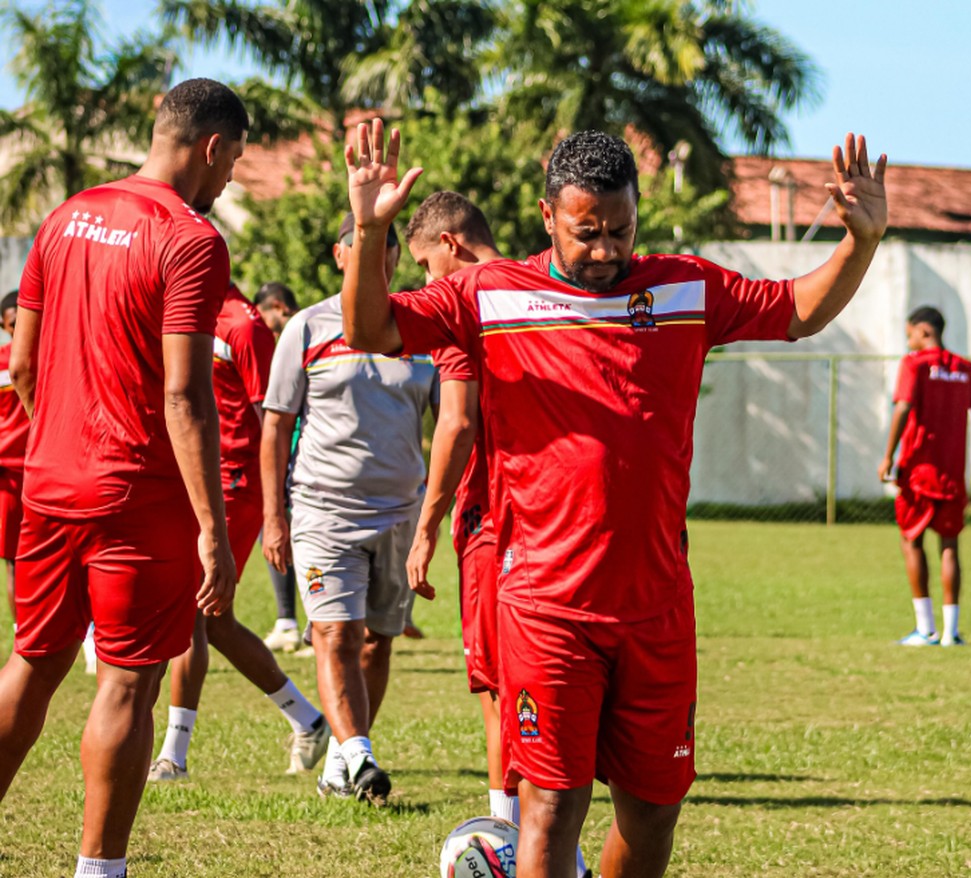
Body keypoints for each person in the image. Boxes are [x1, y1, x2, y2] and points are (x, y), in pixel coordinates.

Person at [342, 120, 886, 878]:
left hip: (657, 607)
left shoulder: (686, 287)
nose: (604, 250)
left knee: (654, 806)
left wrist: (860, 243)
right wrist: (370, 232)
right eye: (586, 232)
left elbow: (799, 310)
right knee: (551, 805)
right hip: (545, 607)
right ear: (546, 219)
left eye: (619, 231)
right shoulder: (489, 293)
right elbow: (370, 327)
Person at [0, 78, 244, 878]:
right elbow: (184, 392)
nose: (233, 176)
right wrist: (213, 527)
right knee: (129, 683)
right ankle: (98, 870)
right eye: (235, 159)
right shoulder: (192, 238)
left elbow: (25, 364)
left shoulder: (65, 214)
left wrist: (61, 441)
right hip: (138, 493)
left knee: (32, 661)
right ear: (211, 147)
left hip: (48, 482)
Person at [261, 212, 439, 805]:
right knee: (335, 632)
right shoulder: (306, 328)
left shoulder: (419, 330)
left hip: (400, 515)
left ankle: (342, 759)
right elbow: (275, 426)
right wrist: (274, 516)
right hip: (323, 513)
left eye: (389, 248)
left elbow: (452, 421)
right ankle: (362, 758)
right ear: (342, 255)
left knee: (376, 641)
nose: (379, 258)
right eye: (364, 246)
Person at [148, 282, 329, 782]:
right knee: (216, 622)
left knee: (194, 611)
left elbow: (271, 422)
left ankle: (174, 756)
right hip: (196, 479)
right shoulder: (188, 313)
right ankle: (307, 719)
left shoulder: (245, 327)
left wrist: (278, 506)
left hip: (235, 485)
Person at [401, 192, 529, 824]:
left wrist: (426, 528)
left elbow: (455, 423)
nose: (428, 283)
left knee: (501, 686)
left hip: (494, 516)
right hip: (557, 511)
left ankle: (508, 834)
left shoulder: (463, 300)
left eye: (426, 266)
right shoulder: (541, 279)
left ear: (451, 244)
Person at [877, 306, 971, 647]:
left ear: (923, 331)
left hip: (917, 473)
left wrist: (888, 456)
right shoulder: (965, 368)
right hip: (953, 475)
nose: (908, 341)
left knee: (911, 541)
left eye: (909, 334)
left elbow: (903, 406)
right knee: (949, 547)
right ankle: (951, 632)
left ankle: (926, 629)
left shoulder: (913, 364)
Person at [251, 281, 305, 653]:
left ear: (276, 306)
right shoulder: (273, 340)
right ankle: (290, 620)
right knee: (275, 529)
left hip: (294, 449)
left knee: (295, 530)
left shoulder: (292, 336)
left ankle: (300, 621)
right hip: (281, 448)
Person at [0, 292, 29, 624]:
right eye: (14, 322)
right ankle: (25, 633)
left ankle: (91, 636)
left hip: (50, 468)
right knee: (15, 561)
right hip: (9, 476)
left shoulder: (53, 353)